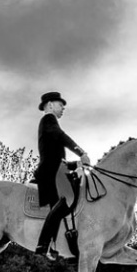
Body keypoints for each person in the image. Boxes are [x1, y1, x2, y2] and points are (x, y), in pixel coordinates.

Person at [33, 92, 91, 260]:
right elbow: (61, 136)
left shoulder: (50, 125)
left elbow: (59, 158)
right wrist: (81, 152)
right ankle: (43, 244)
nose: (63, 108)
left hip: (57, 169)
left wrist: (78, 165)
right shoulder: (49, 120)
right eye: (60, 104)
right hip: (51, 172)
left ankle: (53, 244)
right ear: (50, 105)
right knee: (67, 201)